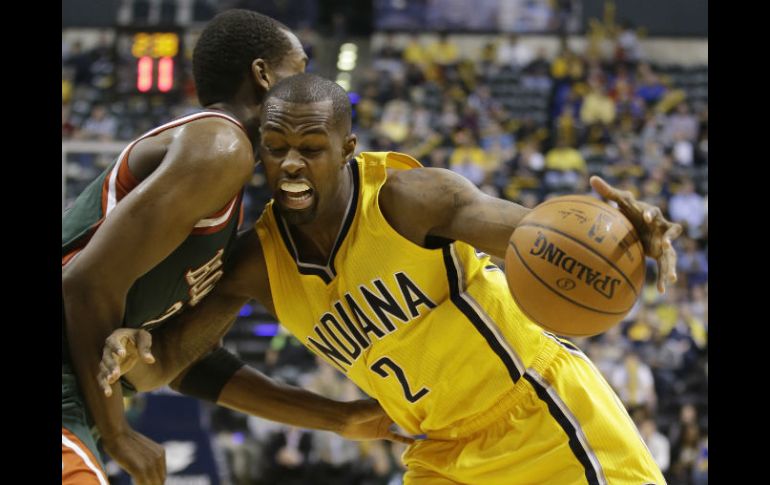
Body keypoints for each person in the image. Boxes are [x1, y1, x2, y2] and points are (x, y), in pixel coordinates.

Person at [100, 73, 682, 484]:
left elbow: (534, 237)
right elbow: (169, 366)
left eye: (311, 147)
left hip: (539, 411)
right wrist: (134, 351)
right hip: (436, 452)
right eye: (276, 149)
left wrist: (618, 233)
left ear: (348, 148)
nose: (292, 164)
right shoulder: (257, 261)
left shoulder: (409, 200)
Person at [62, 13, 405, 485]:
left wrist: (338, 418)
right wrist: (118, 432)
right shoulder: (220, 146)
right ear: (263, 75)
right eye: (299, 68)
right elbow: (82, 283)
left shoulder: (227, 198)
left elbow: (184, 363)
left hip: (81, 396)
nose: (310, 83)